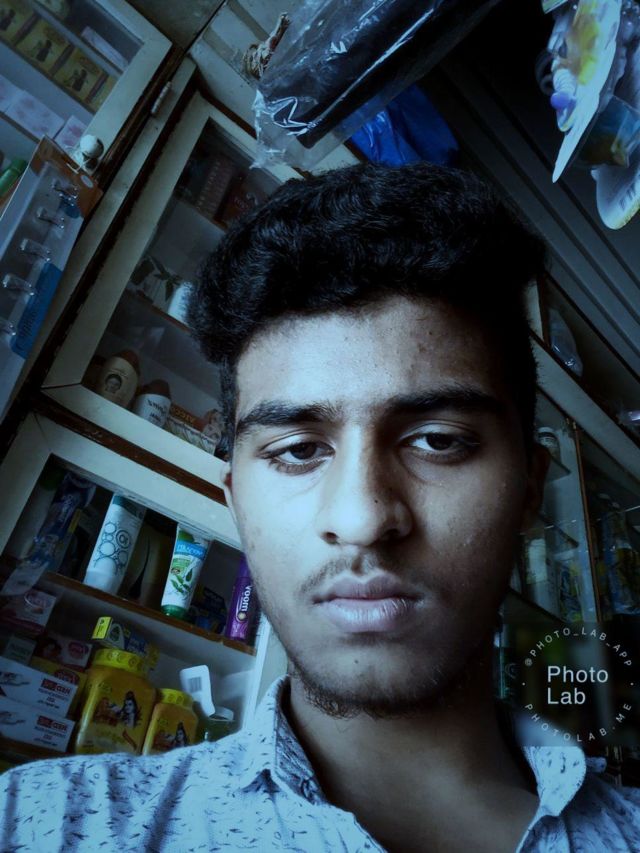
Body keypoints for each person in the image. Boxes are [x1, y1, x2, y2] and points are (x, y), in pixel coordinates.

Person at [1, 163, 639, 852]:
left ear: (529, 490)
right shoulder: (43, 824)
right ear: (236, 501)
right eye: (299, 450)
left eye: (438, 440)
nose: (362, 519)